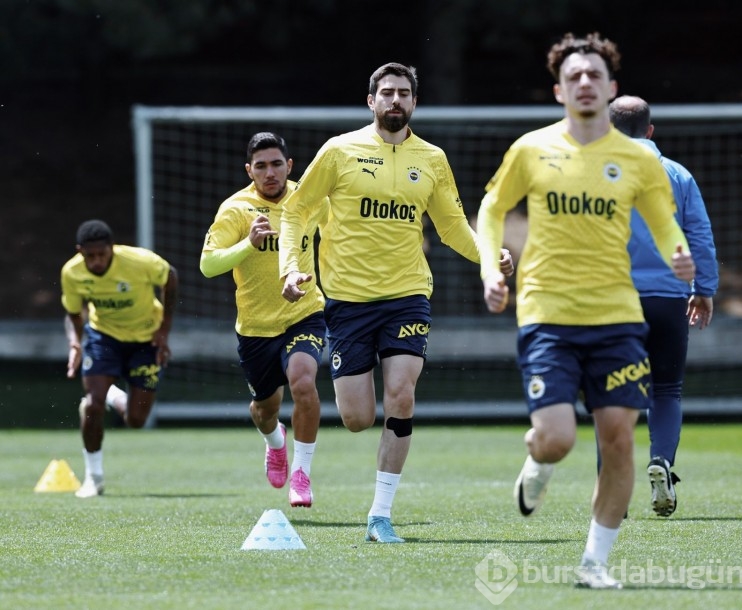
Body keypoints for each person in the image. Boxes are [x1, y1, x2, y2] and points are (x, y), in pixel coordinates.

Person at [476, 33, 696, 589]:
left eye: (594, 74)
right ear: (558, 90)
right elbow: (492, 206)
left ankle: (594, 564)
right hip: (548, 314)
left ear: (611, 86)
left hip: (618, 319)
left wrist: (678, 250)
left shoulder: (637, 160)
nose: (584, 82)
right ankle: (539, 459)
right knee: (558, 437)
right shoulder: (531, 149)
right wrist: (489, 271)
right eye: (573, 76)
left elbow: (663, 217)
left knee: (618, 440)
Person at [279, 62, 514, 543]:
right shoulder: (339, 151)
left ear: (414, 102)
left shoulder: (431, 158)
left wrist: (491, 257)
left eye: (403, 93)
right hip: (347, 303)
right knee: (357, 418)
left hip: (408, 297)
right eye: (386, 93)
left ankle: (380, 516)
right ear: (371, 101)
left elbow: (451, 228)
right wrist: (289, 268)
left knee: (402, 395)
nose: (395, 101)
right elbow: (296, 212)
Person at [200, 132, 328, 508]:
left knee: (303, 382)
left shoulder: (308, 199)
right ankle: (275, 442)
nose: (269, 172)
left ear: (289, 166)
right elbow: (208, 265)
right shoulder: (236, 209)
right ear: (249, 170)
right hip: (256, 327)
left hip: (304, 312)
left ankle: (302, 475)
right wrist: (247, 245)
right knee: (264, 409)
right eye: (261, 166)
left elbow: (342, 229)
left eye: (276, 164)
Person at [609, 95, 718, 517]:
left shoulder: (599, 173)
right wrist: (703, 288)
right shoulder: (677, 174)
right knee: (666, 389)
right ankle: (662, 462)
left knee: (613, 393)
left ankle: (611, 487)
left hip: (614, 298)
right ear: (650, 131)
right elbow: (700, 235)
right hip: (668, 297)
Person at [61, 219, 178, 498]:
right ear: (80, 251)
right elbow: (74, 313)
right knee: (93, 404)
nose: (97, 261)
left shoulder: (139, 261)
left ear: (111, 248)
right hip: (104, 338)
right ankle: (93, 477)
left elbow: (170, 276)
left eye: (102, 254)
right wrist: (75, 343)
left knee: (136, 420)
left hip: (146, 340)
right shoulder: (72, 272)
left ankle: (113, 396)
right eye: (90, 256)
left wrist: (164, 330)